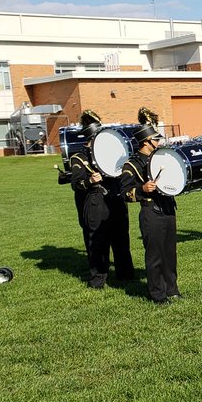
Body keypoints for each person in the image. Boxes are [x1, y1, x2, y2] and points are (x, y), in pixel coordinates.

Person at [70, 111, 134, 288]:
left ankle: (126, 274)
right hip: (96, 201)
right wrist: (90, 181)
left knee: (121, 237)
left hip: (116, 197)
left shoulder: (110, 153)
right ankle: (98, 279)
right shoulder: (79, 158)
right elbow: (76, 184)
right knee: (98, 240)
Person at [119, 122, 179, 303]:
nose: (158, 142)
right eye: (155, 139)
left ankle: (172, 289)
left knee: (170, 252)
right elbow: (124, 193)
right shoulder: (131, 165)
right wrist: (142, 189)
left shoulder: (160, 157)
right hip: (151, 211)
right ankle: (158, 294)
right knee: (155, 255)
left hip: (168, 208)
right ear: (146, 142)